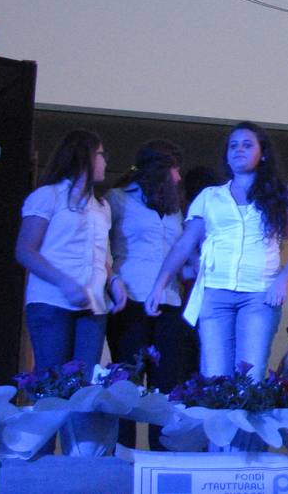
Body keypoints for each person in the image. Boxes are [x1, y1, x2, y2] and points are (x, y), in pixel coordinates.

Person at [145, 121, 288, 381]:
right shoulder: (210, 197)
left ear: (263, 153)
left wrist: (282, 281)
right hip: (215, 292)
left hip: (259, 293)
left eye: (247, 145)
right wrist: (159, 285)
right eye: (233, 146)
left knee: (250, 375)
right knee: (214, 375)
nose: (238, 150)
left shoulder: (283, 196)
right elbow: (184, 244)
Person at [16, 129, 126, 375]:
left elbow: (99, 254)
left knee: (84, 383)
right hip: (52, 301)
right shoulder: (48, 196)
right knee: (51, 381)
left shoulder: (102, 205)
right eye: (101, 155)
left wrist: (113, 280)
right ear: (84, 156)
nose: (105, 161)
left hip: (93, 304)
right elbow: (25, 250)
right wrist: (64, 282)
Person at [106, 139, 188, 449]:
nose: (178, 177)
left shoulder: (175, 209)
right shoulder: (118, 199)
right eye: (175, 168)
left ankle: (161, 457)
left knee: (165, 385)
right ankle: (123, 454)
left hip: (169, 302)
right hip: (130, 301)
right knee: (126, 383)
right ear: (160, 169)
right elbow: (100, 248)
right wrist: (112, 281)